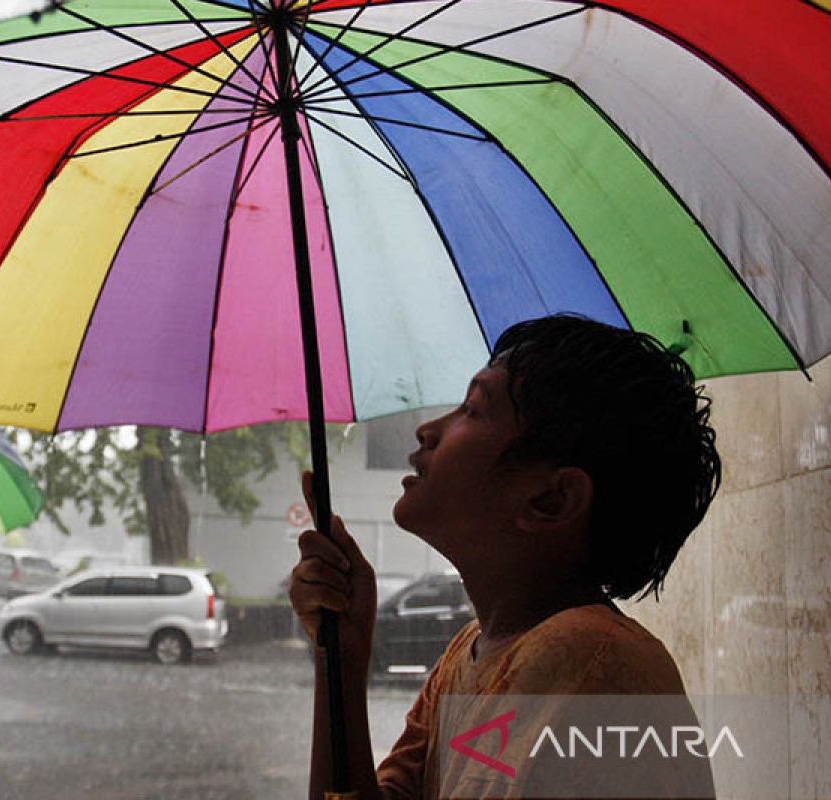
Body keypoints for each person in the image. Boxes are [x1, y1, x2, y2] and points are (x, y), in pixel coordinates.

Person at [289, 315, 721, 799]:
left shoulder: (591, 662)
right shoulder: (469, 652)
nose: (428, 431)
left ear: (550, 500)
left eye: (473, 410)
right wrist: (341, 658)